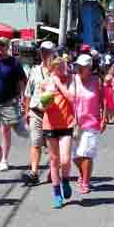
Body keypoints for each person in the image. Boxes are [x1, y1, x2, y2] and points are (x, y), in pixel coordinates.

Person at [0, 37, 28, 171]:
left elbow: (21, 81)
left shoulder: (14, 62)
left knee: (6, 131)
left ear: (8, 46)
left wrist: (22, 98)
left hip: (8, 101)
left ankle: (4, 159)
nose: (0, 47)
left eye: (2, 45)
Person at [65, 54, 107, 194]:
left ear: (89, 68)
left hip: (92, 122)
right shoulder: (72, 80)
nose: (79, 69)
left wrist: (104, 118)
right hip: (74, 123)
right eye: (78, 66)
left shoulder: (97, 81)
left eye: (83, 67)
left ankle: (85, 182)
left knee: (86, 153)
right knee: (76, 156)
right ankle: (83, 174)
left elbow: (104, 100)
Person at [40, 57, 75, 208]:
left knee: (65, 159)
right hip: (50, 126)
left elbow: (71, 98)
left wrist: (59, 84)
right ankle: (56, 194)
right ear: (52, 68)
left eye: (64, 66)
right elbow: (40, 107)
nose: (62, 69)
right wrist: (47, 102)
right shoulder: (44, 83)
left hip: (67, 123)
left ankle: (65, 180)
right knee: (54, 160)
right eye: (59, 67)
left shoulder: (71, 80)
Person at [22, 41, 56, 185]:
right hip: (36, 112)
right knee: (35, 142)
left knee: (51, 145)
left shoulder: (58, 70)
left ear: (53, 52)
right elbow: (28, 92)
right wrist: (26, 111)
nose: (44, 54)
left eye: (47, 51)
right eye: (42, 51)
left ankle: (52, 171)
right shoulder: (35, 70)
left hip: (53, 113)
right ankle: (34, 173)